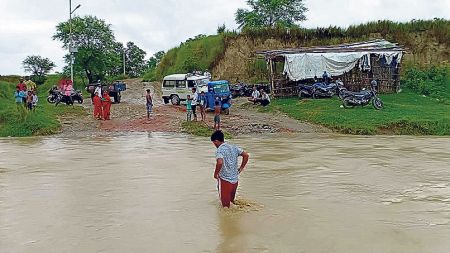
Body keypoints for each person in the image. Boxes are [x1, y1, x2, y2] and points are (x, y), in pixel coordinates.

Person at [211, 130, 249, 208]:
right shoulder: (233, 147)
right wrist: (241, 168)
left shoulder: (219, 150)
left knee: (225, 208)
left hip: (225, 181)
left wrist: (215, 174)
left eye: (214, 143)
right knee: (232, 203)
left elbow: (220, 162)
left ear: (216, 141)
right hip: (235, 181)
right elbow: (246, 155)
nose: (214, 145)